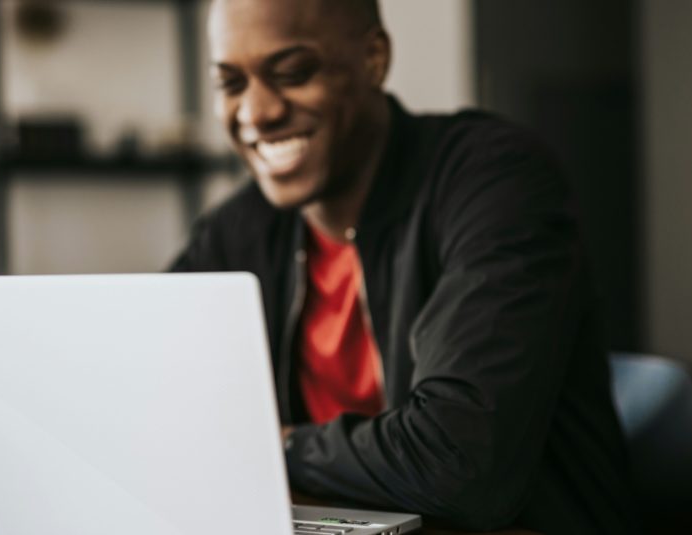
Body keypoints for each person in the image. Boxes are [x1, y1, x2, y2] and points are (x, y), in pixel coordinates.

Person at [171, 1, 638, 533]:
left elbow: (457, 462)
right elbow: (150, 400)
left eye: (293, 74)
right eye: (230, 85)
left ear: (374, 57)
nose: (256, 113)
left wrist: (277, 445)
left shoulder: (495, 180)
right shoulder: (238, 230)